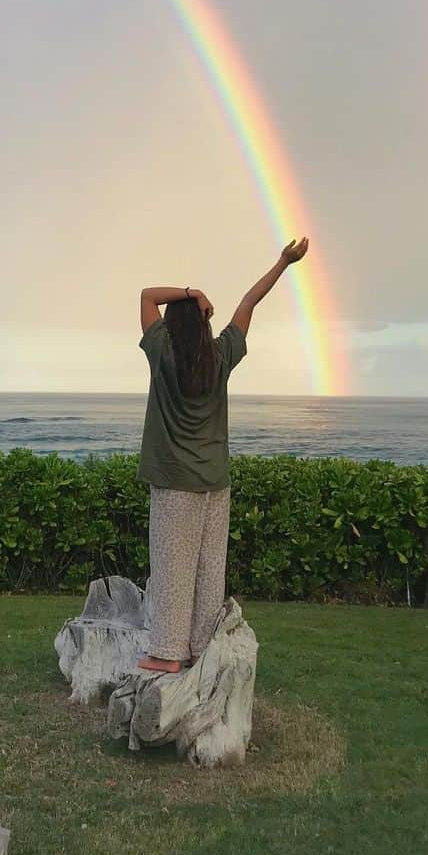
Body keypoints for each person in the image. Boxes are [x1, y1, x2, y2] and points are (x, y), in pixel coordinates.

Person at [136, 238, 310, 674]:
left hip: (176, 482)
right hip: (216, 481)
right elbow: (251, 299)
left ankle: (167, 654)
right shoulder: (221, 355)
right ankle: (198, 649)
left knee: (173, 567)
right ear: (205, 323)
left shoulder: (162, 351)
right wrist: (284, 262)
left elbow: (146, 296)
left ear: (173, 323)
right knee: (209, 571)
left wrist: (190, 293)